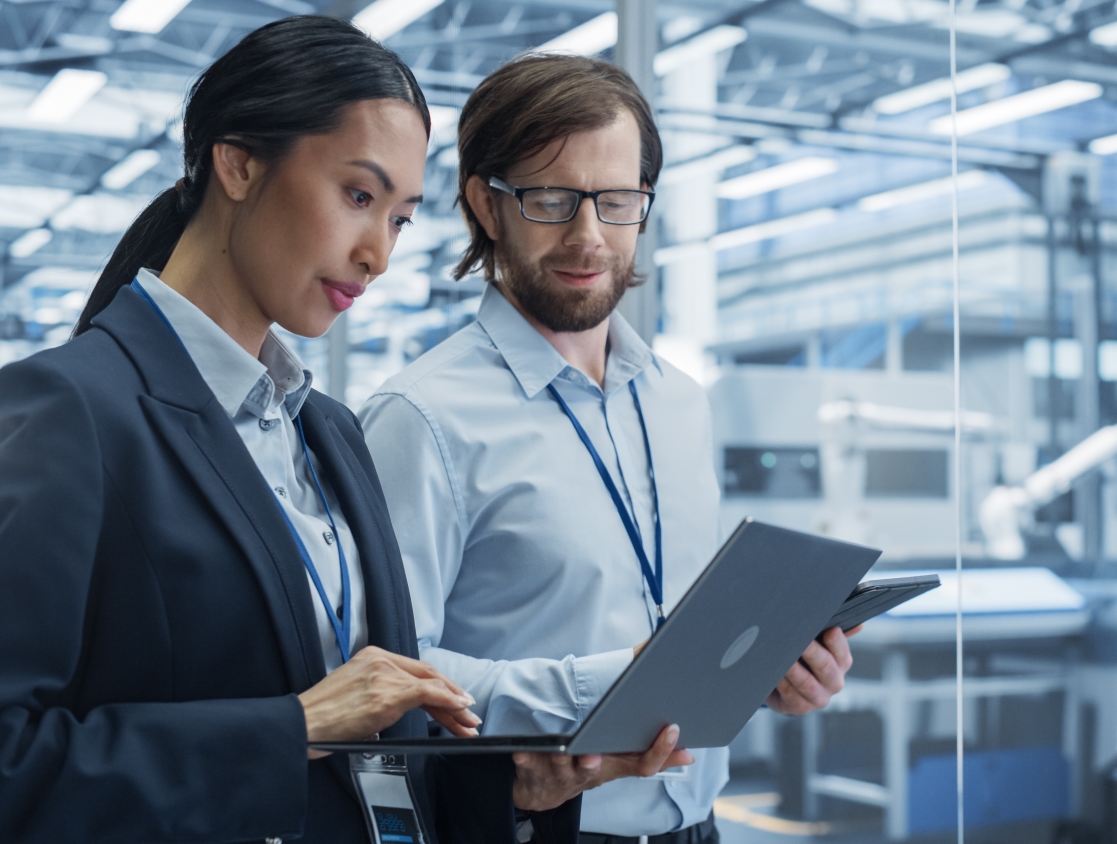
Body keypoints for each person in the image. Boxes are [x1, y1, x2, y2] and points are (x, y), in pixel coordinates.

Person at [0, 19, 684, 844]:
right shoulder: (64, 410)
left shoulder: (326, 431)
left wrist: (518, 791)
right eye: (358, 197)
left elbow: (376, 761)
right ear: (239, 162)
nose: (377, 255)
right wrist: (293, 727)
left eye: (399, 219)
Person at [360, 54, 857, 844]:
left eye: (618, 201)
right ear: (487, 207)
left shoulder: (680, 403)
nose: (589, 236)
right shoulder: (420, 418)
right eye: (553, 199)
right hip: (534, 830)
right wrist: (608, 683)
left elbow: (694, 627)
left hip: (699, 825)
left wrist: (767, 674)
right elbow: (380, 674)